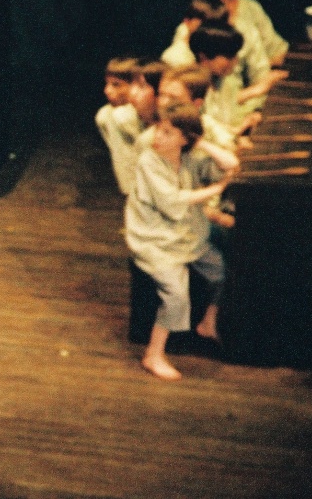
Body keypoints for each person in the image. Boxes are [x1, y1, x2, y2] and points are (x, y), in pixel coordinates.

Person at [125, 103, 239, 380]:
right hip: (155, 242)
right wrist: (214, 190)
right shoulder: (149, 161)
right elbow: (171, 201)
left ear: (184, 139)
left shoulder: (189, 159)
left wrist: (201, 143)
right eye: (158, 129)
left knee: (222, 272)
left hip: (187, 237)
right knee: (176, 295)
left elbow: (231, 164)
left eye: (167, 132)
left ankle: (208, 322)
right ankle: (153, 354)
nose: (157, 136)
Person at [196, 0, 288, 67]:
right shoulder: (199, 11)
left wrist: (258, 70)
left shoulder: (250, 9)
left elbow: (277, 53)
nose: (223, 0)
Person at [94, 56, 138, 193]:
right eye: (107, 84)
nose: (107, 90)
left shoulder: (125, 116)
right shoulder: (106, 115)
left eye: (116, 84)